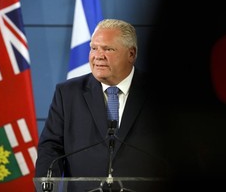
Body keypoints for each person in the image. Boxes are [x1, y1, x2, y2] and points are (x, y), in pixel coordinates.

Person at [35, 19, 170, 191]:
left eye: (108, 49)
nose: (98, 55)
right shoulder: (68, 93)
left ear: (131, 54)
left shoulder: (160, 94)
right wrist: (47, 188)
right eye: (93, 48)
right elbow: (50, 148)